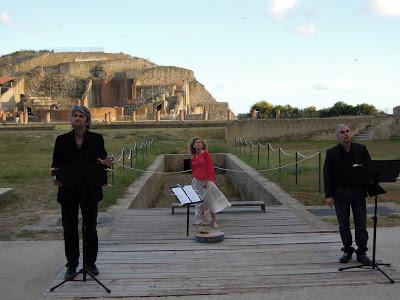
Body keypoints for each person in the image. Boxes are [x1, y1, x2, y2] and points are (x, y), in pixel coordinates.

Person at [52, 105, 113, 279]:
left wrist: (106, 162)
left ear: (87, 120)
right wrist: (55, 176)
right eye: (74, 115)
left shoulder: (96, 139)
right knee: (69, 229)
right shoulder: (61, 140)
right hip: (68, 190)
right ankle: (72, 265)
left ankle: (90, 263)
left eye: (80, 116)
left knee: (90, 227)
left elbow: (103, 160)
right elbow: (56, 164)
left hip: (89, 190)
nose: (76, 118)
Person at [323, 124, 372, 265]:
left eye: (347, 131)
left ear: (350, 133)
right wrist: (329, 195)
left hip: (358, 192)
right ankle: (347, 250)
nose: (346, 134)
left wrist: (370, 189)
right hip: (340, 193)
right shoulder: (332, 153)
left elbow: (369, 169)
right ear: (338, 136)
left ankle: (362, 252)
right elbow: (327, 175)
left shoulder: (361, 149)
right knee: (343, 224)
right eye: (342, 132)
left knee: (361, 223)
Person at [189, 137, 231, 228]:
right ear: (193, 145)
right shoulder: (193, 156)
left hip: (206, 180)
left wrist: (206, 180)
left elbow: (209, 168)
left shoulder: (206, 154)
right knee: (198, 201)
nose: (199, 143)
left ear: (203, 145)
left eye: (200, 142)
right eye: (196, 142)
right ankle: (200, 220)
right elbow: (194, 169)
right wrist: (194, 177)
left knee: (210, 200)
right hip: (196, 181)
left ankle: (214, 221)